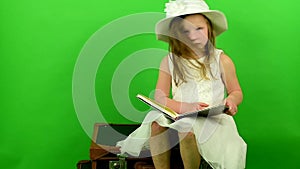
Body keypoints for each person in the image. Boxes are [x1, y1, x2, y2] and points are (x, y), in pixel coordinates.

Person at [117, 0, 247, 168]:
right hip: (180, 113)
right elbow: (160, 97)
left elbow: (236, 91)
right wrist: (185, 106)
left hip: (211, 117)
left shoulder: (221, 60)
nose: (193, 36)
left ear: (209, 28)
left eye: (199, 29)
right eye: (185, 32)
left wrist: (232, 101)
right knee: (156, 124)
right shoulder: (169, 61)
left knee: (186, 130)